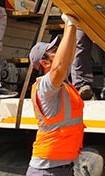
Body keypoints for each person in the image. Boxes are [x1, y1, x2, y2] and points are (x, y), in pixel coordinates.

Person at [26, 14, 84, 175]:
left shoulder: (63, 85)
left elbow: (67, 59)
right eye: (54, 51)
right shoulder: (44, 85)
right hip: (46, 170)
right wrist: (71, 25)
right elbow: (59, 67)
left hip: (62, 167)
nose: (59, 52)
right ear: (44, 63)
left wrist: (70, 26)